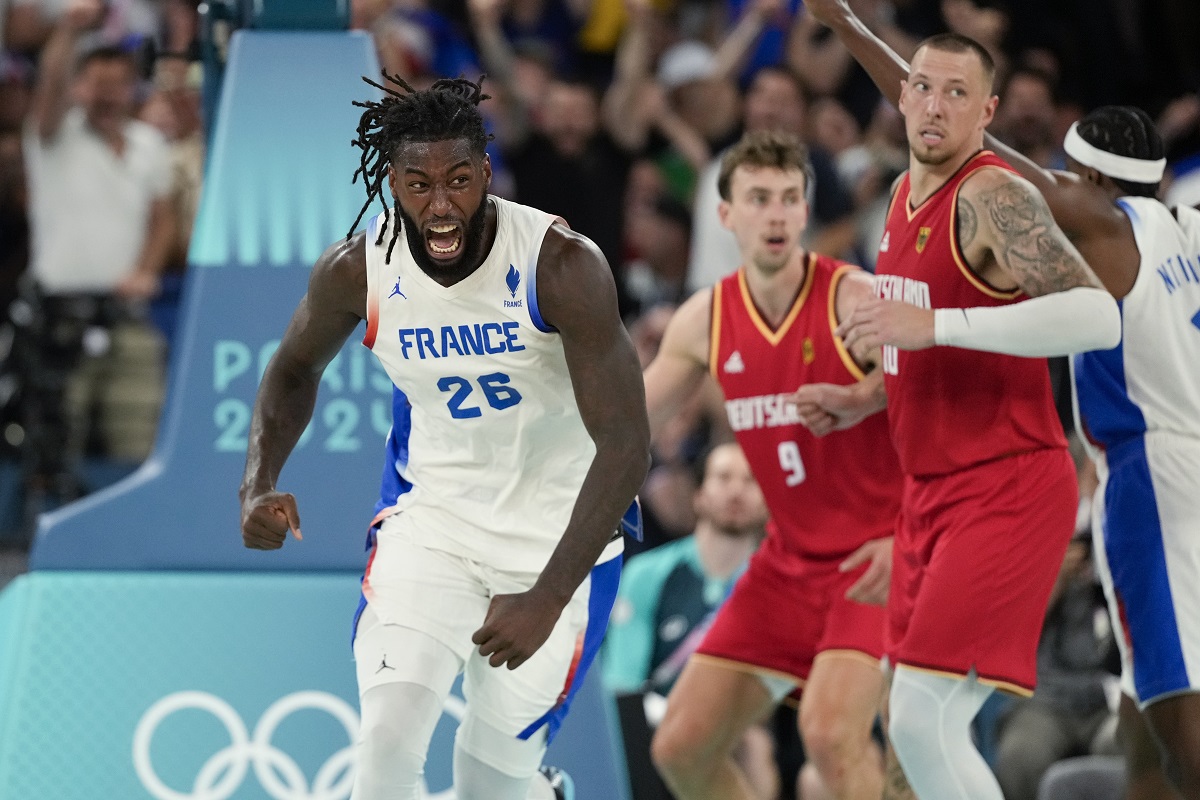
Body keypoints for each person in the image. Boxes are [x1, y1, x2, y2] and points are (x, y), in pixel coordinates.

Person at [798, 4, 1200, 797]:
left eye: (959, 95)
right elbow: (929, 353)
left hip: (1071, 475)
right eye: (921, 90)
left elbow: (1088, 313)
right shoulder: (1176, 229)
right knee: (1125, 722)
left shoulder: (1038, 205)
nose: (933, 105)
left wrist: (934, 322)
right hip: (945, 488)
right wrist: (869, 396)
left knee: (929, 718)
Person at [238, 74, 650, 800]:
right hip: (433, 529)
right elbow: (294, 369)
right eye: (418, 182)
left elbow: (625, 443)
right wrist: (258, 482)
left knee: (489, 784)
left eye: (458, 180)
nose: (440, 204)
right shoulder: (359, 269)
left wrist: (549, 594)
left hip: (558, 544)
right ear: (390, 180)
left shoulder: (560, 265)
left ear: (487, 174)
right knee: (386, 751)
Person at [644, 129, 903, 800]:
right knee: (680, 748)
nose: (779, 215)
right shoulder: (705, 318)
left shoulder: (853, 300)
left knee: (830, 737)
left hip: (872, 561)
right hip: (785, 565)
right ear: (726, 214)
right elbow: (625, 422)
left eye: (791, 198)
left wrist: (906, 538)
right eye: (759, 198)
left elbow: (936, 420)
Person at [21, 0, 172, 520]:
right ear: (79, 87)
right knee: (56, 440)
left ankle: (135, 535)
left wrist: (148, 270)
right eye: (97, 82)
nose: (107, 92)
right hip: (58, 314)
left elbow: (162, 216)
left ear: (133, 88)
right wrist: (67, 34)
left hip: (126, 313)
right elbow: (48, 92)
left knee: (138, 437)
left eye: (118, 82)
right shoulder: (52, 136)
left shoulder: (150, 144)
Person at [604, 442, 775, 800]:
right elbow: (623, 682)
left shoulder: (779, 584)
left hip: (740, 724)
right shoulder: (648, 573)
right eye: (724, 478)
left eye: (750, 480)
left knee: (754, 745)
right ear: (698, 495)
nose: (736, 490)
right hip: (657, 718)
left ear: (767, 501)